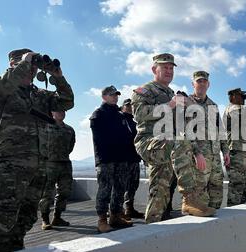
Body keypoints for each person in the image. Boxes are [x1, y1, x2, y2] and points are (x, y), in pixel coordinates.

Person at [0, 48, 74, 252]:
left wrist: (58, 77)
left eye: (34, 66)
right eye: (29, 65)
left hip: (39, 167)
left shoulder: (40, 95)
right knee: (5, 218)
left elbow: (67, 101)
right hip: (10, 165)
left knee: (27, 217)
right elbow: (2, 87)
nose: (32, 70)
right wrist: (26, 61)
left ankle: (15, 248)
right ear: (14, 65)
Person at [130, 53, 216, 224]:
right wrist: (169, 105)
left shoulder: (171, 93)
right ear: (154, 69)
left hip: (168, 145)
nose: (169, 71)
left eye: (171, 68)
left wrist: (196, 151)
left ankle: (151, 227)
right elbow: (139, 114)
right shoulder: (145, 91)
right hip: (149, 142)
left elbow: (181, 127)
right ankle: (189, 199)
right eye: (165, 67)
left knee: (160, 190)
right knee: (176, 141)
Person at [90, 86, 134, 233]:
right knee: (105, 189)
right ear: (104, 97)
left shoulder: (120, 115)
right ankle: (102, 220)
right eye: (112, 95)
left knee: (120, 188)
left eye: (116, 95)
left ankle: (115, 216)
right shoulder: (98, 114)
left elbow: (127, 137)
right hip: (107, 159)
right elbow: (100, 139)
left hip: (121, 158)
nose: (115, 97)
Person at [188, 71, 230, 209]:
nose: (202, 84)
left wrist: (225, 151)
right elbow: (185, 132)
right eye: (198, 81)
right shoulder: (187, 104)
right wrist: (196, 153)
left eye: (204, 81)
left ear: (208, 84)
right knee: (199, 192)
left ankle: (216, 222)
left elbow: (220, 130)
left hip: (215, 157)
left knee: (217, 191)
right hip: (199, 157)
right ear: (193, 84)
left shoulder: (213, 105)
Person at [39, 111, 76, 230]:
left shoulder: (69, 129)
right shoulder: (45, 127)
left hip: (65, 163)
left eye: (63, 111)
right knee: (47, 193)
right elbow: (40, 145)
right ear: (52, 112)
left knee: (65, 192)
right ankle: (45, 219)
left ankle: (57, 217)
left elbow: (71, 146)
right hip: (49, 164)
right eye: (58, 110)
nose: (61, 113)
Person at [224, 88, 246, 206]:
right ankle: (232, 210)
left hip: (243, 151)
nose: (243, 98)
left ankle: (240, 208)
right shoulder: (232, 108)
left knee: (245, 184)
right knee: (237, 183)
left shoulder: (241, 109)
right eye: (241, 96)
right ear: (233, 96)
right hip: (236, 151)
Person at [120, 98, 144, 219]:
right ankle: (118, 211)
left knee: (133, 185)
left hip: (134, 158)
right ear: (123, 107)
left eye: (132, 105)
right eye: (128, 105)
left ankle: (129, 209)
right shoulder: (119, 120)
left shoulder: (136, 123)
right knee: (120, 185)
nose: (130, 107)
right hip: (122, 159)